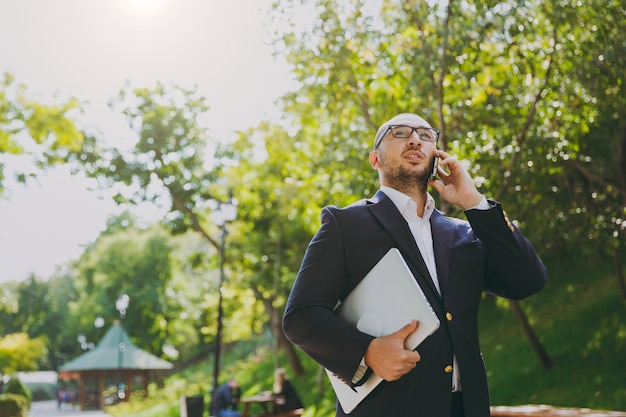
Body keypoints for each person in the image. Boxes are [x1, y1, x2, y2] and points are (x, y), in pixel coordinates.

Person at [282, 113, 548, 417]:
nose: (415, 139)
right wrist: (367, 352)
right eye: (399, 133)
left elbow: (528, 280)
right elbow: (300, 316)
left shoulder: (463, 232)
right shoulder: (344, 224)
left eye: (426, 134)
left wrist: (474, 202)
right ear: (375, 160)